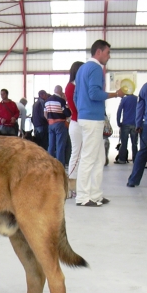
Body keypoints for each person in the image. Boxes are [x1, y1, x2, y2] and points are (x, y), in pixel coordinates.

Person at [74, 39, 125, 207]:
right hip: (92, 119)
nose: (109, 56)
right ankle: (82, 197)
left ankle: (95, 194)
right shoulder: (96, 68)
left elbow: (76, 96)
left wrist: (82, 109)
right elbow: (95, 93)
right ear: (98, 52)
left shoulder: (82, 69)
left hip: (86, 117)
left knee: (98, 157)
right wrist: (115, 94)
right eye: (107, 52)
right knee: (89, 158)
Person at [65, 62, 83, 197]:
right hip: (78, 123)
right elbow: (75, 108)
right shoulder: (72, 87)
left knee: (78, 156)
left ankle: (75, 187)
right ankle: (71, 186)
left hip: (78, 123)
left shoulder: (74, 86)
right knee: (76, 156)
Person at [44, 86, 69, 165]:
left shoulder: (47, 101)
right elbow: (67, 113)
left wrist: (49, 120)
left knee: (51, 145)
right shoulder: (61, 101)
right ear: (61, 92)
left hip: (50, 124)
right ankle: (60, 165)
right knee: (60, 145)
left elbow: (45, 114)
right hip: (60, 124)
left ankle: (49, 164)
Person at [115, 92, 138, 164]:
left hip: (125, 124)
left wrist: (118, 122)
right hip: (135, 124)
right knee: (134, 143)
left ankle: (122, 159)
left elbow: (119, 111)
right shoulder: (137, 99)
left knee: (124, 143)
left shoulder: (124, 99)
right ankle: (136, 160)